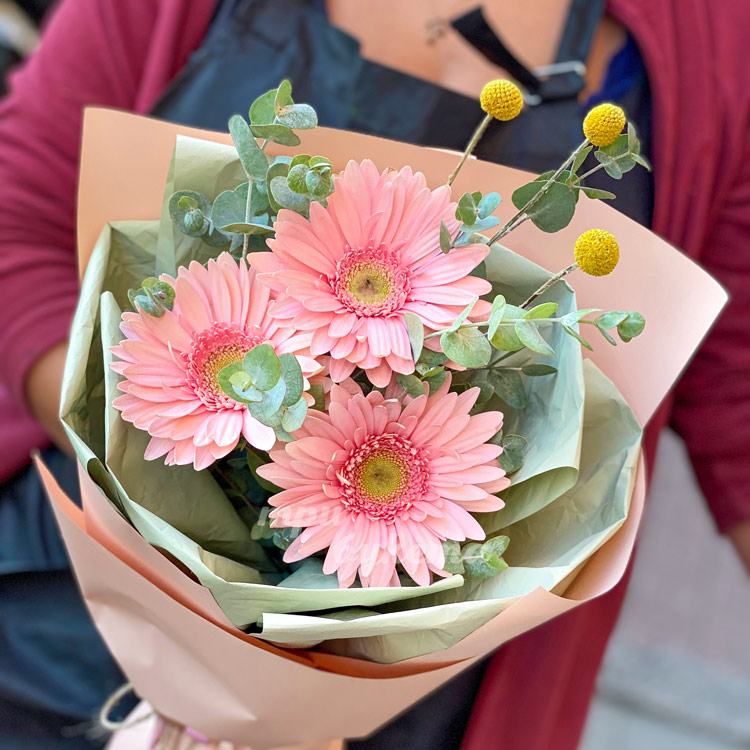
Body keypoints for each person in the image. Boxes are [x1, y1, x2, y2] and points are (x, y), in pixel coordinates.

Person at [0, 1, 748, 749]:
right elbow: (18, 218)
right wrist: (171, 481)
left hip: (413, 688)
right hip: (60, 622)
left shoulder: (719, 49)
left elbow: (738, 406)